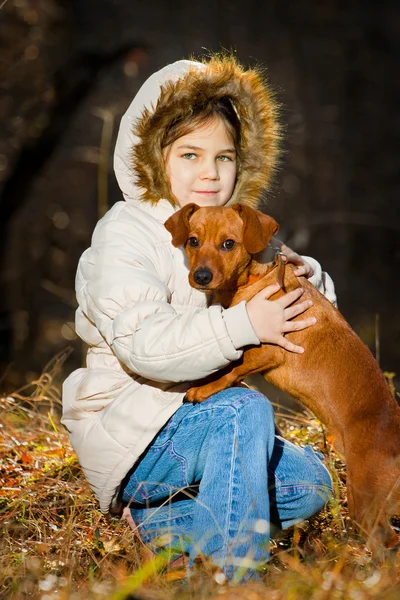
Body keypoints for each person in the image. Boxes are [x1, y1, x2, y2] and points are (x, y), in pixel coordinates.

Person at [62, 55, 336, 581]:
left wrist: (310, 281)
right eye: (190, 154)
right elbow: (143, 343)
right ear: (152, 157)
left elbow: (316, 333)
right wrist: (244, 325)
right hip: (135, 438)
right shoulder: (126, 233)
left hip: (202, 428)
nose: (210, 172)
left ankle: (160, 526)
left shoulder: (237, 229)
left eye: (225, 157)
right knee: (242, 409)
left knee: (310, 483)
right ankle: (234, 575)